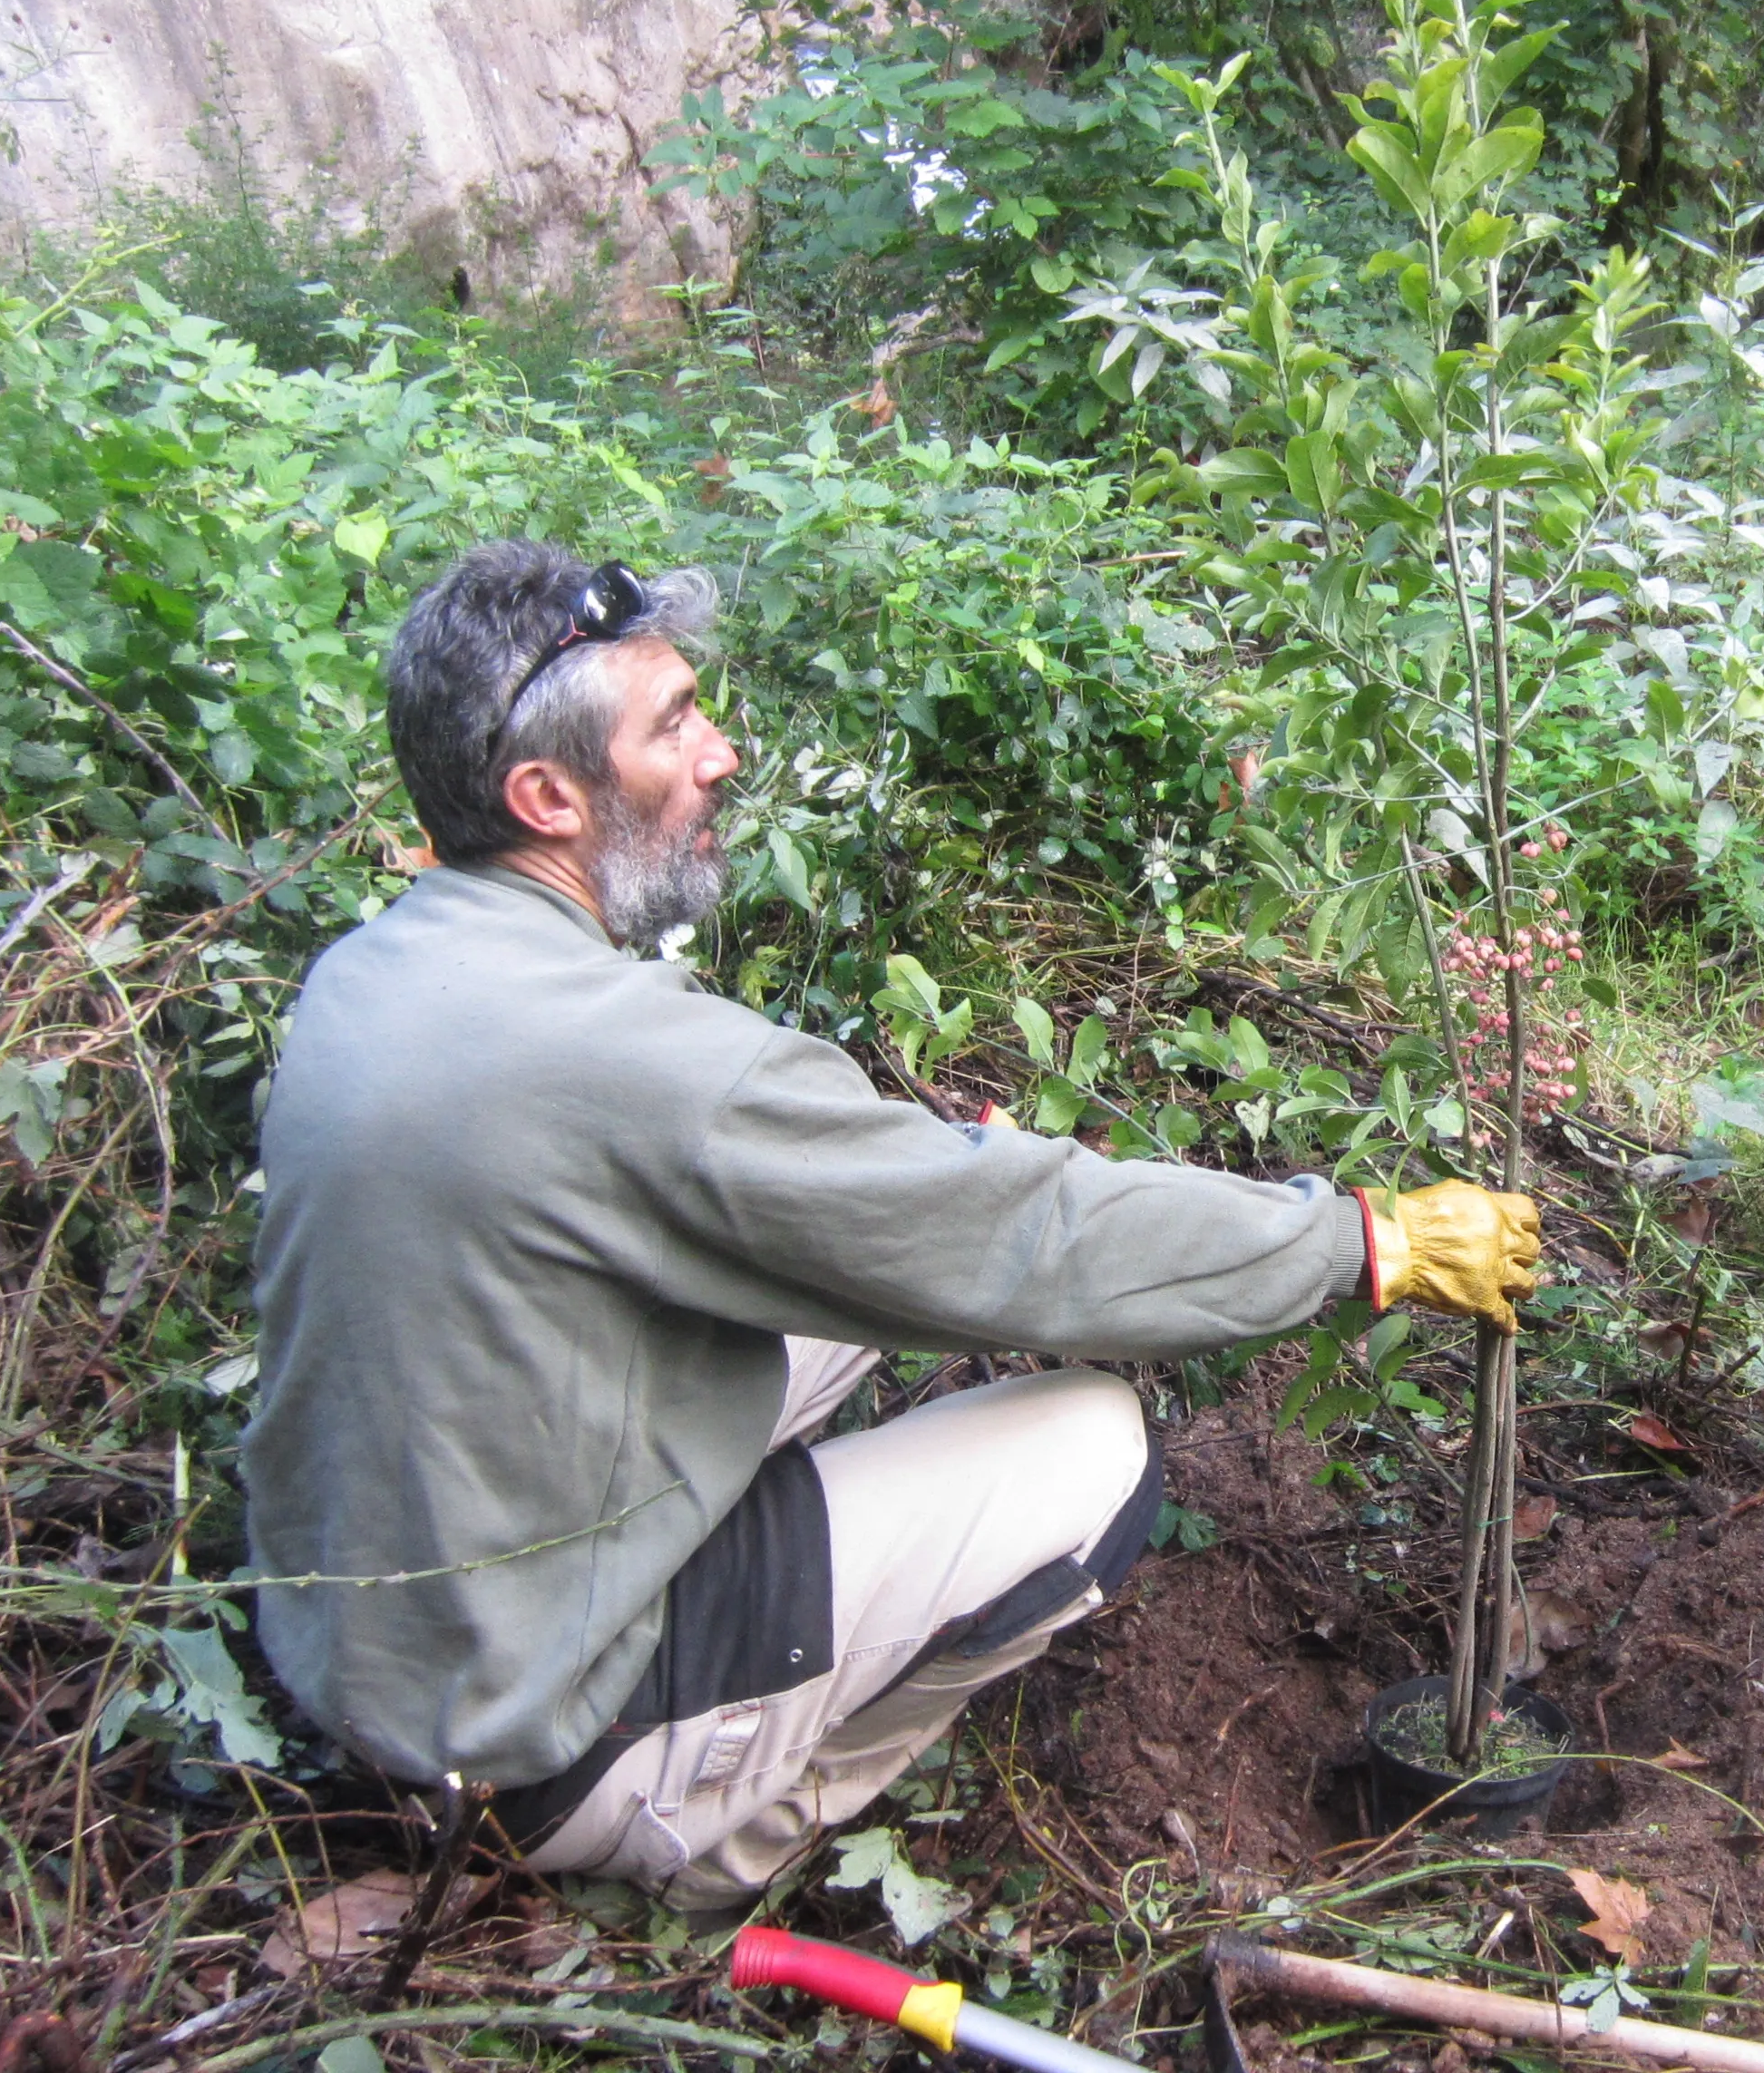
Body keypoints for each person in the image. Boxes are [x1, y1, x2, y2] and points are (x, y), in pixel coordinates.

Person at [246, 540, 1542, 1913]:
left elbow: (840, 1209)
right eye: (674, 725)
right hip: (532, 1730)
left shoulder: (374, 971)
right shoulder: (628, 1062)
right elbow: (1030, 1240)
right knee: (1092, 1443)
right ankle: (700, 1848)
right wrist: (1358, 1242)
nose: (723, 753)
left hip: (370, 1657)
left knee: (845, 1279)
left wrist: (929, 1182)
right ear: (546, 796)